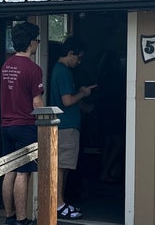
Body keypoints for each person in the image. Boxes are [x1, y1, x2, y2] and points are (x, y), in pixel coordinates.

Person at [0, 22, 42, 225]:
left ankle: (9, 217)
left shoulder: (6, 65)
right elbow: (37, 101)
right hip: (25, 125)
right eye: (37, 41)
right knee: (24, 173)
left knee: (10, 170)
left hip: (6, 125)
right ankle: (22, 219)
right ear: (32, 42)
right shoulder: (33, 69)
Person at [49, 36, 95, 220]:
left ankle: (60, 202)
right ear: (70, 53)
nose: (79, 61)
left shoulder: (59, 71)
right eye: (79, 57)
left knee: (64, 166)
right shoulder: (64, 72)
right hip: (66, 126)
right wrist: (83, 93)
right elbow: (67, 101)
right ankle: (58, 204)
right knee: (61, 166)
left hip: (65, 126)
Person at [95, 50, 125, 182]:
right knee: (119, 142)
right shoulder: (116, 76)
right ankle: (106, 172)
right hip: (115, 112)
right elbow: (121, 95)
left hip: (103, 112)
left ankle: (104, 171)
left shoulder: (101, 75)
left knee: (107, 143)